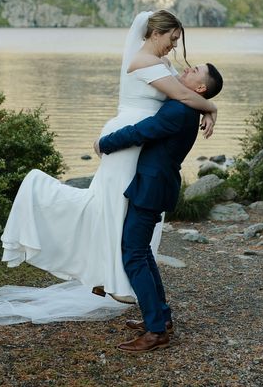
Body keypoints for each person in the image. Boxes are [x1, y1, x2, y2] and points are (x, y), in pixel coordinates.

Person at [0, 10, 219, 324]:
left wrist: (204, 105)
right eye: (173, 39)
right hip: (125, 141)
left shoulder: (163, 64)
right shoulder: (143, 62)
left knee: (119, 215)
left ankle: (114, 281)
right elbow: (183, 94)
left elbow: (185, 94)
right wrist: (211, 107)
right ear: (156, 33)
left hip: (139, 146)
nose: (175, 48)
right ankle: (96, 263)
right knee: (107, 208)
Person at [94, 62, 223, 352]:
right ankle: (162, 319)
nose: (188, 69)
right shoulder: (185, 104)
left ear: (200, 88)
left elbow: (142, 131)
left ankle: (155, 332)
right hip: (156, 184)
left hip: (151, 188)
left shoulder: (179, 111)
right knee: (143, 253)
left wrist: (104, 143)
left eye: (195, 71)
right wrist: (211, 108)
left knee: (134, 255)